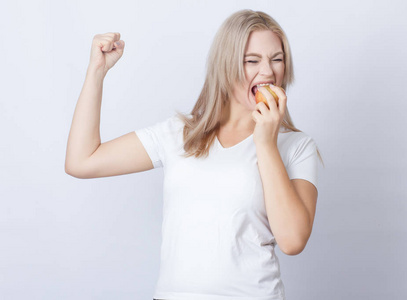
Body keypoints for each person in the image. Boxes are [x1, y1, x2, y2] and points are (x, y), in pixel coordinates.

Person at [65, 9, 323, 300]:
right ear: (225, 66)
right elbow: (81, 161)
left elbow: (292, 241)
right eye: (252, 60)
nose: (268, 72)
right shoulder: (179, 134)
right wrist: (96, 72)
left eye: (277, 59)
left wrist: (265, 144)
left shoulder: (297, 147)